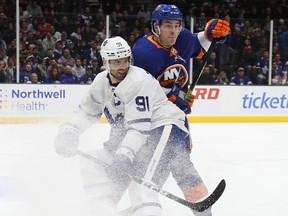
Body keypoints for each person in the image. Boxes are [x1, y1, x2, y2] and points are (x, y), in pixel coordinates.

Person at [54, 36, 211, 216]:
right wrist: (69, 132)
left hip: (165, 127)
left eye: (125, 60)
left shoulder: (138, 80)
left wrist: (124, 155)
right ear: (105, 61)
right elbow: (86, 112)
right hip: (140, 135)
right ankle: (103, 210)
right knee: (91, 164)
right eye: (115, 61)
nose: (122, 66)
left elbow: (139, 128)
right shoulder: (100, 82)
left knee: (142, 189)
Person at [132, 4, 230, 216]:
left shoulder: (183, 38)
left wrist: (210, 33)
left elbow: (199, 45)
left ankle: (143, 202)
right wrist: (174, 96)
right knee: (170, 166)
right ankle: (141, 203)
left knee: (179, 161)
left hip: (175, 120)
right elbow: (138, 95)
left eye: (177, 25)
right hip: (152, 123)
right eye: (168, 25)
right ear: (155, 26)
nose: (173, 31)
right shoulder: (143, 54)